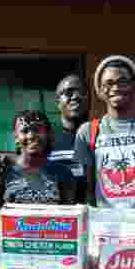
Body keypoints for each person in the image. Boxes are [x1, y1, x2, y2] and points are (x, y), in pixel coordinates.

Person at [74, 55, 135, 209]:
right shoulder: (87, 131)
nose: (115, 88)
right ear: (100, 90)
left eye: (122, 81)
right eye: (108, 83)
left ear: (134, 86)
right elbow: (88, 190)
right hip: (106, 226)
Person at [0, 110, 77, 212]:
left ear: (48, 134)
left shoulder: (63, 173)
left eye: (37, 129)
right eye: (25, 131)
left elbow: (69, 217)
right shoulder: (0, 169)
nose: (31, 136)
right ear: (16, 137)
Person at [49, 74, 90, 202]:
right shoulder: (46, 139)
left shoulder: (102, 135)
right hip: (59, 217)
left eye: (82, 92)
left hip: (96, 215)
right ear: (57, 102)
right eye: (68, 92)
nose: (76, 96)